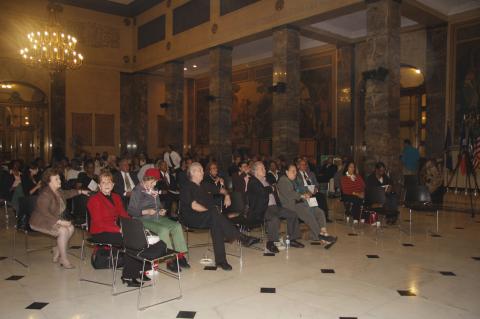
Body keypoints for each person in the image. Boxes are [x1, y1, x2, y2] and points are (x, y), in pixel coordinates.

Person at [179, 162, 259, 271]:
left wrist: (226, 195)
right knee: (214, 215)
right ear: (193, 172)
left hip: (208, 216)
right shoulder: (186, 187)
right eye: (200, 170)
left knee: (215, 222)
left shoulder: (204, 185)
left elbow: (220, 189)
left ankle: (221, 261)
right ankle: (241, 237)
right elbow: (194, 206)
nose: (203, 172)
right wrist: (211, 212)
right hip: (191, 217)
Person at [87, 172, 146, 287]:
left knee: (138, 236)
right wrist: (119, 229)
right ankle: (128, 275)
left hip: (114, 229)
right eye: (103, 182)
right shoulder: (94, 200)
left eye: (109, 182)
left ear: (113, 184)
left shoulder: (116, 197)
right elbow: (99, 223)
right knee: (130, 241)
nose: (106, 184)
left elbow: (123, 215)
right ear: (99, 186)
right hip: (100, 232)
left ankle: (139, 270)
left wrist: (133, 226)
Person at [128, 168, 190, 272]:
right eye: (152, 182)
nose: (154, 184)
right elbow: (131, 211)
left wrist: (161, 210)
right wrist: (146, 212)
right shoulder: (137, 191)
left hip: (156, 217)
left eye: (156, 182)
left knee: (177, 226)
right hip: (142, 219)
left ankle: (180, 256)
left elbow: (158, 204)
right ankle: (169, 260)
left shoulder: (153, 189)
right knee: (163, 230)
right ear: (145, 179)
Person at [29, 168, 89, 269]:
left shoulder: (58, 191)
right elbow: (44, 212)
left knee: (71, 228)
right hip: (40, 221)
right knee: (63, 231)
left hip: (51, 219)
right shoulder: (45, 194)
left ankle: (57, 248)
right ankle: (63, 259)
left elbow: (67, 193)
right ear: (49, 182)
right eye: (56, 179)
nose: (60, 181)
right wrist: (60, 222)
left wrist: (81, 191)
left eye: (59, 178)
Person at [247, 161, 304, 253]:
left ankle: (292, 240)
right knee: (274, 218)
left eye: (264, 168)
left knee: (292, 214)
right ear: (256, 171)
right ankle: (271, 243)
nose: (265, 170)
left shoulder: (266, 180)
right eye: (262, 168)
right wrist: (272, 188)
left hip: (274, 207)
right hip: (263, 209)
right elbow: (262, 192)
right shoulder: (252, 181)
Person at [277, 164, 336, 248]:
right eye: (292, 171)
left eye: (295, 171)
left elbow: (304, 189)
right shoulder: (283, 180)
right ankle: (323, 238)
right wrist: (302, 196)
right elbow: (290, 194)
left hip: (303, 202)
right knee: (309, 215)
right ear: (286, 172)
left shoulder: (296, 179)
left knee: (319, 211)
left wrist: (308, 193)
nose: (295, 173)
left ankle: (324, 232)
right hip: (293, 204)